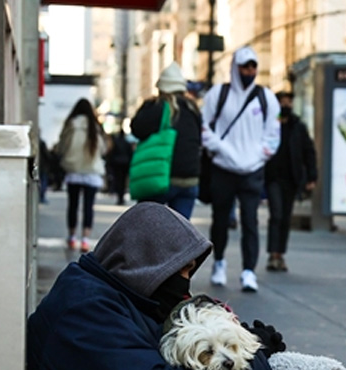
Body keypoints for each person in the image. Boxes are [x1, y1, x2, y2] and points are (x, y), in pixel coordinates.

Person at [26, 202, 282, 370]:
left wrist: (240, 340)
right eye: (181, 270)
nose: (186, 282)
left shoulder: (114, 293)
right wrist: (253, 363)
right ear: (148, 262)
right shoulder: (85, 312)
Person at [200, 46, 281, 293]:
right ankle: (219, 262)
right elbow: (204, 128)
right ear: (235, 67)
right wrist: (225, 151)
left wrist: (255, 157)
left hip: (252, 171)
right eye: (245, 66)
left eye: (253, 66)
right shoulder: (218, 94)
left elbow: (272, 136)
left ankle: (248, 271)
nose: (249, 71)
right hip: (223, 169)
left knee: (250, 221)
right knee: (220, 220)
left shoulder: (267, 98)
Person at [131, 62, 203, 219]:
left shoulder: (157, 107)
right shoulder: (193, 109)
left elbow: (136, 128)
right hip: (189, 180)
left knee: (149, 227)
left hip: (161, 178)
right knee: (180, 234)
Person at [263, 91, 318, 273]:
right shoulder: (270, 123)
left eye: (289, 102)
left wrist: (311, 176)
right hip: (273, 178)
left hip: (292, 179)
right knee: (276, 215)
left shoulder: (298, 126)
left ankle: (280, 254)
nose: (286, 105)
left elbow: (308, 151)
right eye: (283, 102)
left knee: (285, 218)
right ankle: (273, 254)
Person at [53, 98, 107, 252]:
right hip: (91, 171)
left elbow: (62, 146)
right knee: (89, 206)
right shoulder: (95, 126)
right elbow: (102, 149)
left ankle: (71, 237)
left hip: (74, 169)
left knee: (73, 205)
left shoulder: (71, 124)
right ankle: (85, 239)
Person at [106, 128, 134, 205]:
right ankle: (121, 197)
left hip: (117, 164)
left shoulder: (116, 142)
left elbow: (111, 153)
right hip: (124, 164)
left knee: (118, 181)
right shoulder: (127, 143)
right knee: (123, 181)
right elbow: (130, 154)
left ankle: (119, 197)